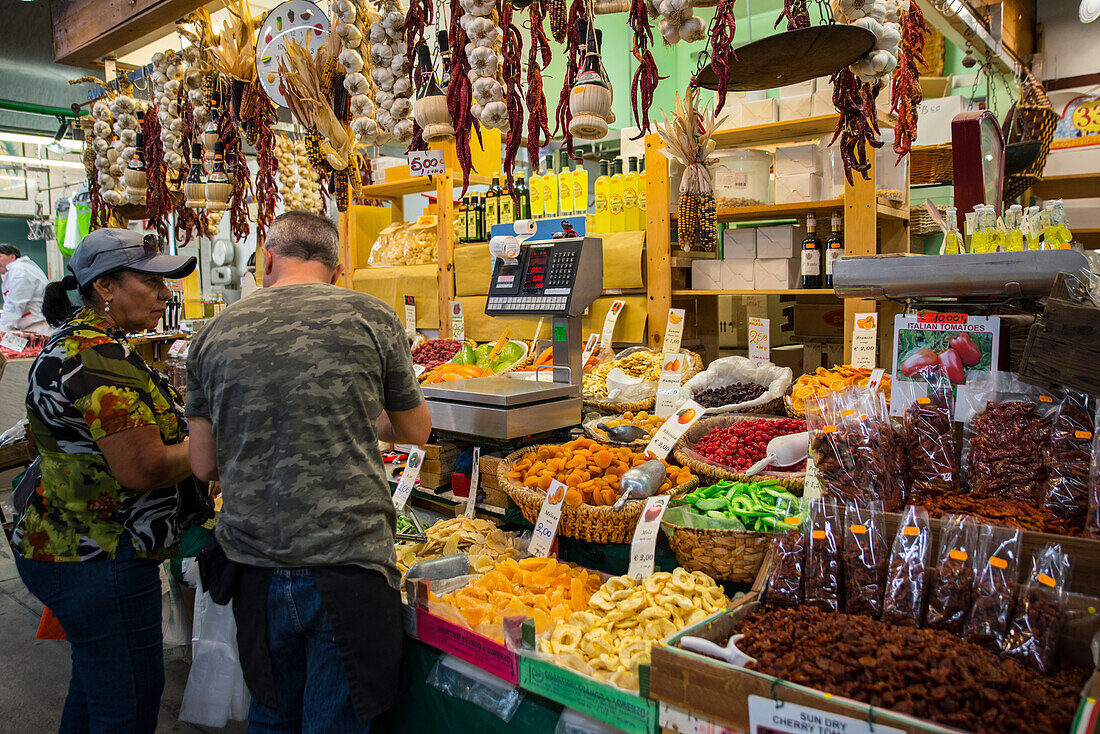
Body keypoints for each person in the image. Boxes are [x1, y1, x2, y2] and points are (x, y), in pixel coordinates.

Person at [187, 210, 431, 733]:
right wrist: (355, 414)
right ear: (337, 269)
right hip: (350, 562)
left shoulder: (210, 335)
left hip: (254, 562)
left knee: (272, 716)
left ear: (267, 258)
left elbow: (203, 464)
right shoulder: (373, 316)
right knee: (337, 721)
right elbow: (416, 431)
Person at [10, 228, 210, 733]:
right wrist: (220, 443)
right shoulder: (93, 359)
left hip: (71, 542)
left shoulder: (85, 343)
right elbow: (143, 468)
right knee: (128, 703)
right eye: (152, 281)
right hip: (98, 552)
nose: (166, 294)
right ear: (104, 287)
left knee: (97, 686)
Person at [0, 243, 51, 334]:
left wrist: (3, 329)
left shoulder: (19, 270)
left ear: (12, 257)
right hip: (32, 327)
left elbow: (16, 303)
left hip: (38, 327)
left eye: (0, 256)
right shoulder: (15, 270)